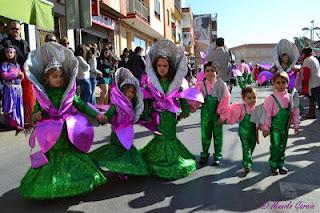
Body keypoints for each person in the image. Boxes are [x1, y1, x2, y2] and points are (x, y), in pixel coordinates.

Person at [20, 43, 106, 199]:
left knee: (70, 155)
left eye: (61, 76)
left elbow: (82, 105)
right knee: (53, 157)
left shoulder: (68, 93)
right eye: (55, 76)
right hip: (51, 134)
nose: (59, 79)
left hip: (67, 131)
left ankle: (73, 182)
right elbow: (35, 111)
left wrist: (97, 114)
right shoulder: (43, 95)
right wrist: (36, 115)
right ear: (46, 79)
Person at [139, 40, 203, 180]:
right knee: (159, 136)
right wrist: (147, 113)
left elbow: (181, 97)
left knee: (169, 137)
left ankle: (171, 159)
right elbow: (147, 99)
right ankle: (157, 159)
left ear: (170, 67)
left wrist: (184, 111)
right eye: (159, 65)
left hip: (170, 115)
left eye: (165, 66)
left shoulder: (175, 82)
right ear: (155, 67)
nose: (162, 68)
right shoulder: (151, 82)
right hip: (157, 115)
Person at [90, 67, 148, 177]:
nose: (129, 94)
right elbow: (110, 113)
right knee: (118, 152)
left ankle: (123, 169)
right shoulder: (116, 104)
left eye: (132, 92)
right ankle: (120, 170)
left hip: (127, 133)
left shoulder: (132, 105)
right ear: (122, 92)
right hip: (117, 134)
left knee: (126, 151)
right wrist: (105, 118)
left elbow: (137, 116)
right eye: (127, 91)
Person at [262, 71, 300, 175]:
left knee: (283, 147)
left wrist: (296, 124)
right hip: (275, 129)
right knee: (275, 146)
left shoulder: (290, 97)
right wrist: (266, 128)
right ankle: (274, 165)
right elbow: (267, 114)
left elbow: (295, 111)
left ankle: (281, 164)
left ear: (287, 83)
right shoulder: (271, 99)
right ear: (273, 83)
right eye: (278, 82)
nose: (280, 85)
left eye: (283, 82)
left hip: (285, 128)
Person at [195, 62, 230, 167]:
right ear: (204, 72)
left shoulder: (221, 84)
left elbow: (226, 98)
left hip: (217, 114)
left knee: (218, 135)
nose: (210, 73)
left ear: (217, 73)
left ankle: (217, 155)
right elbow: (196, 98)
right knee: (205, 135)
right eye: (207, 71)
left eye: (212, 71)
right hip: (205, 114)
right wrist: (193, 104)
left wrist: (222, 114)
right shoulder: (201, 85)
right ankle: (204, 154)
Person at [1, 21, 34, 127]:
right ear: (9, 30)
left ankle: (27, 119)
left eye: (17, 29)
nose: (15, 30)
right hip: (11, 76)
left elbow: (29, 56)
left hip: (24, 72)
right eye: (13, 29)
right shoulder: (6, 43)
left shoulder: (25, 42)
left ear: (20, 30)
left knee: (27, 97)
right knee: (12, 101)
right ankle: (14, 122)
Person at [220, 87, 259, 174]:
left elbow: (261, 120)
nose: (252, 100)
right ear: (243, 99)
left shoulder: (257, 109)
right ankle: (247, 164)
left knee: (252, 145)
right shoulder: (240, 107)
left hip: (253, 132)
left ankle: (248, 158)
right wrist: (223, 118)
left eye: (254, 97)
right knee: (246, 147)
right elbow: (229, 111)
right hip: (243, 132)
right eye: (249, 98)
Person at [0, 46, 24, 130]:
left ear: (14, 53)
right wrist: (16, 75)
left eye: (11, 52)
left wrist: (21, 76)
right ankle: (13, 123)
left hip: (17, 88)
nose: (9, 54)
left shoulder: (17, 64)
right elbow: (4, 75)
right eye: (7, 52)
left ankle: (19, 122)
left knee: (18, 106)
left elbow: (20, 75)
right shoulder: (4, 64)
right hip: (9, 89)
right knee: (10, 106)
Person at [300, 47, 320, 119]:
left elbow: (306, 73)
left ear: (304, 53)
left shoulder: (307, 60)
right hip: (317, 81)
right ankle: (312, 114)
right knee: (313, 99)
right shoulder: (314, 58)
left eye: (302, 54)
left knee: (312, 99)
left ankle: (311, 114)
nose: (301, 55)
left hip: (312, 82)